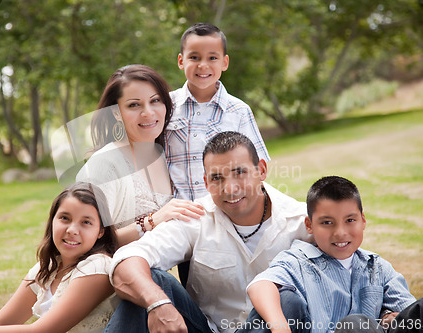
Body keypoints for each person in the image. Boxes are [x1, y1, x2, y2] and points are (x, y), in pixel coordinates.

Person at [104, 131, 312, 333]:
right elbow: (127, 259)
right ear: (205, 182)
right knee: (150, 284)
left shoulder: (302, 221)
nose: (229, 189)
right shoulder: (196, 217)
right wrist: (156, 302)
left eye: (239, 172)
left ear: (261, 170)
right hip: (207, 328)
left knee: (287, 299)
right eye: (217, 178)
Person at [0, 182, 120, 333]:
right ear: (52, 220)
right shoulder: (48, 268)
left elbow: (41, 330)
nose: (72, 230)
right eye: (64, 218)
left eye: (86, 222)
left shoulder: (98, 267)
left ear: (101, 231)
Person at [246, 176, 422, 333]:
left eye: (350, 220)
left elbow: (410, 313)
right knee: (287, 300)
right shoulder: (299, 261)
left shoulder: (377, 267)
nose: (340, 232)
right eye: (327, 222)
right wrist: (280, 327)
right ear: (309, 225)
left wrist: (390, 316)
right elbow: (261, 285)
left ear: (363, 221)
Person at [75, 64, 205, 247]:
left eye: (155, 101)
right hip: (111, 270)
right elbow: (83, 240)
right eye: (134, 105)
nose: (148, 113)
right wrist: (151, 221)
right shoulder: (105, 164)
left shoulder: (169, 155)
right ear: (116, 112)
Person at [165, 22, 270, 201]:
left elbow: (257, 167)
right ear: (181, 61)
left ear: (224, 62)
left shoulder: (239, 111)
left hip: (224, 212)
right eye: (194, 57)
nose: (203, 65)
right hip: (177, 214)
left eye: (212, 58)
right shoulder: (166, 106)